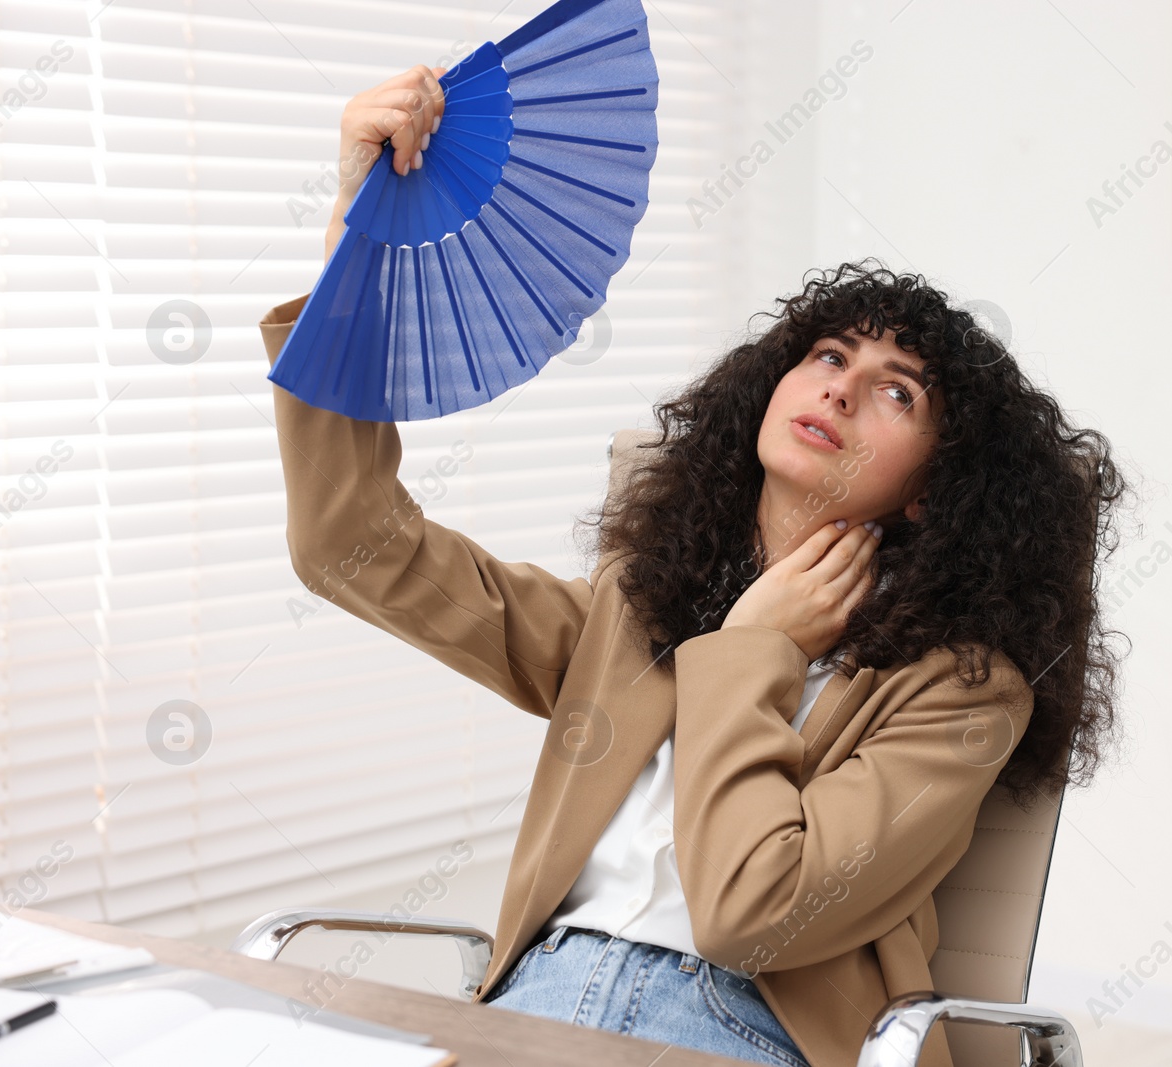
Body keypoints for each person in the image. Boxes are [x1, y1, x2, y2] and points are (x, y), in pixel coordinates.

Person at [261, 65, 1126, 1067]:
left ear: (934, 485)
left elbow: (747, 914)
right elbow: (350, 545)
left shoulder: (962, 690)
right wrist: (353, 246)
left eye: (898, 393)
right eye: (830, 356)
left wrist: (753, 649)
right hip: (537, 1002)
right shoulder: (637, 605)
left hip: (745, 1031)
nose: (842, 391)